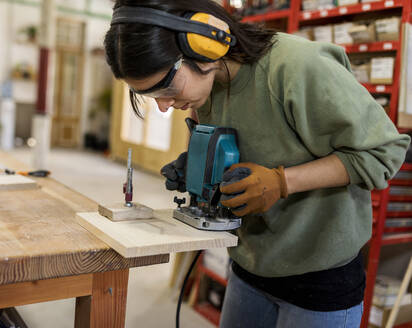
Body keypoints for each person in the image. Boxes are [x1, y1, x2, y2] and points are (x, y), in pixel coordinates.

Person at [103, 0, 411, 327]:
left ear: (202, 43)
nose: (165, 106)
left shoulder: (296, 67)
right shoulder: (208, 86)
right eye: (152, 96)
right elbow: (254, 142)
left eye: (167, 89)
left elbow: (384, 153)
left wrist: (282, 182)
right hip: (249, 268)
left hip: (319, 279)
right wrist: (197, 163)